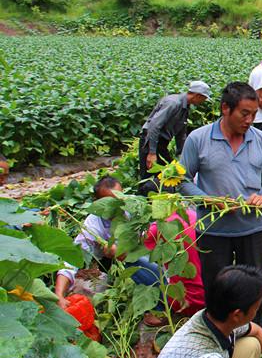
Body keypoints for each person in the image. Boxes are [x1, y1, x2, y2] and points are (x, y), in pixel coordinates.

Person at [179, 82, 262, 328]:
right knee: (216, 292)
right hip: (213, 231)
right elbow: (181, 180)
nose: (249, 120)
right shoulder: (199, 139)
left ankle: (253, 341)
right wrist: (207, 199)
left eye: (254, 115)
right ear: (226, 108)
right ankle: (218, 342)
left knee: (254, 291)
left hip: (254, 230)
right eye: (244, 114)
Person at [54, 176, 162, 307]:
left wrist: (125, 251)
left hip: (145, 258)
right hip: (111, 268)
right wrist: (59, 295)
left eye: (120, 199)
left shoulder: (135, 208)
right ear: (98, 203)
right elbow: (71, 261)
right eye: (111, 203)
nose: (119, 206)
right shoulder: (93, 224)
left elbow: (154, 234)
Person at [139, 81, 211, 195]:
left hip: (162, 143)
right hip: (150, 141)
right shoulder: (173, 103)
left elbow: (180, 134)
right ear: (197, 96)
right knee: (149, 174)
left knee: (169, 172)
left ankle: (155, 198)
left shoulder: (185, 107)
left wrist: (182, 155)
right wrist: (151, 152)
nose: (203, 102)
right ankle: (141, 201)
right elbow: (154, 126)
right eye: (203, 98)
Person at [143, 208, 206, 317]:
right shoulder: (194, 214)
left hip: (186, 302)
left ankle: (159, 311)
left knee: (132, 261)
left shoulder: (159, 227)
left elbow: (124, 253)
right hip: (209, 297)